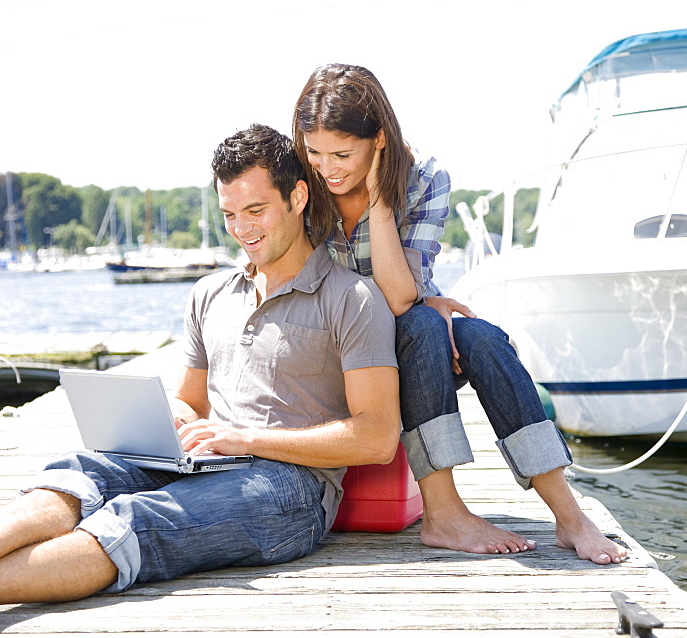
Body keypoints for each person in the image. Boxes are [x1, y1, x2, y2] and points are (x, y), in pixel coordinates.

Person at [0, 125, 400, 604]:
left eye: (256, 210)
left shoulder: (351, 298)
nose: (242, 229)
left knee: (137, 517)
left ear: (297, 197)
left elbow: (378, 436)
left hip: (290, 487)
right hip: (203, 462)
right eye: (229, 214)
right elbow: (192, 402)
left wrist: (246, 439)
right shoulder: (209, 294)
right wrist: (170, 421)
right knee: (80, 472)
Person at [293, 63, 627, 566]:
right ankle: (444, 513)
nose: (328, 168)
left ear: (379, 138)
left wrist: (383, 201)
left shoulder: (423, 177)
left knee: (483, 339)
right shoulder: (300, 179)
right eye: (315, 152)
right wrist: (422, 301)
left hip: (407, 330)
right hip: (334, 343)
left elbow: (402, 297)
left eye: (343, 153)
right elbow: (400, 299)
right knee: (426, 320)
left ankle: (569, 514)